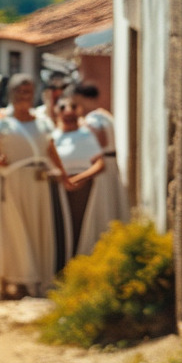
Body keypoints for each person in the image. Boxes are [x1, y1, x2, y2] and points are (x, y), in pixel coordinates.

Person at [0, 73, 73, 300]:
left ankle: (34, 280)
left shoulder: (41, 121)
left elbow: (49, 148)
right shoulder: (0, 120)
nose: (24, 96)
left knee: (35, 230)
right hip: (11, 182)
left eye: (28, 91)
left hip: (37, 183)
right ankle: (10, 281)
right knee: (11, 232)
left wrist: (62, 174)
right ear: (11, 93)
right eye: (19, 91)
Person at [70, 80, 130, 254]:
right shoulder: (105, 114)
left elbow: (100, 141)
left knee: (102, 208)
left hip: (102, 165)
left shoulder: (93, 119)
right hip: (111, 165)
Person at [52, 95, 103, 254]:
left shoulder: (86, 135)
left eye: (72, 109)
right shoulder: (54, 136)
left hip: (81, 187)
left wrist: (79, 179)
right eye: (63, 109)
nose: (68, 113)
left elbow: (99, 163)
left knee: (79, 226)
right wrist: (62, 178)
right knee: (58, 227)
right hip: (58, 185)